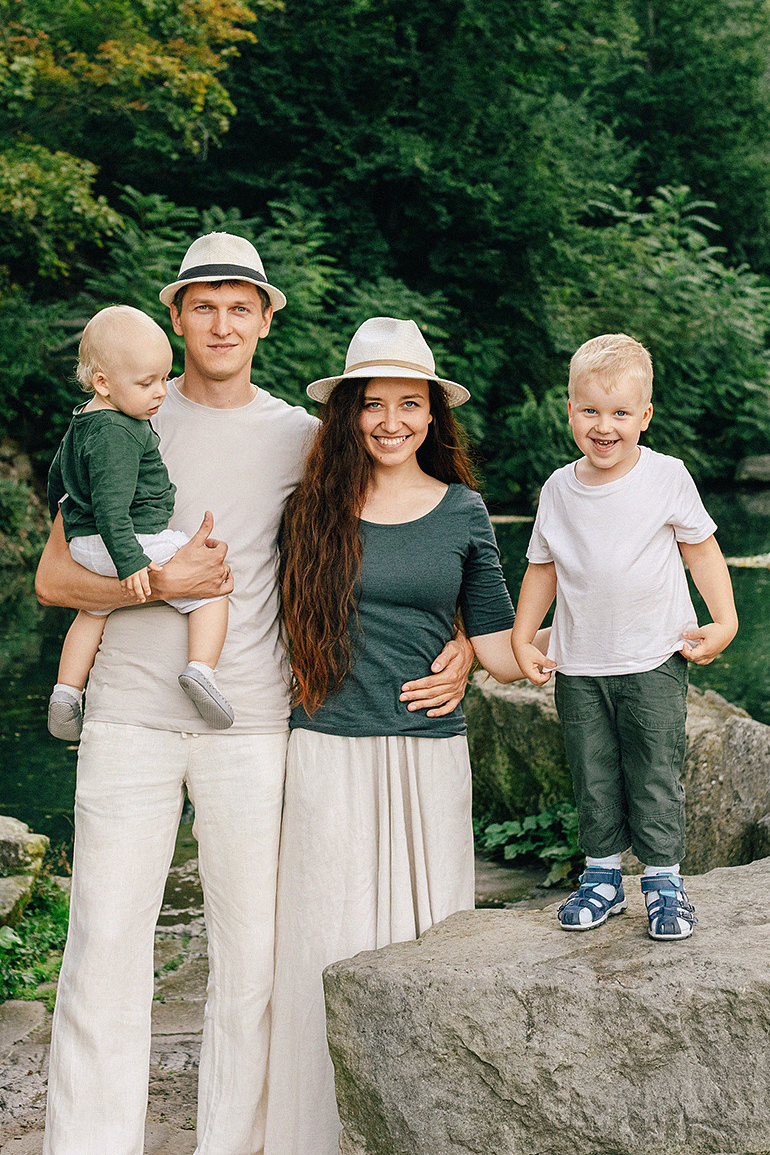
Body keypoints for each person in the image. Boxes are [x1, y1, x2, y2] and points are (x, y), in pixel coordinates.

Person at [32, 237, 476, 1155]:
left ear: (268, 318)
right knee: (105, 949)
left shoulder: (302, 438)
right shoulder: (115, 420)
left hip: (254, 725)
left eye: (241, 306)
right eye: (204, 305)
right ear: (177, 318)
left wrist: (473, 640)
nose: (222, 322)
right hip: (125, 716)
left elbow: (404, 536)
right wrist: (158, 583)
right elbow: (53, 579)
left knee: (250, 966)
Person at [264, 317, 527, 1155]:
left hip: (426, 753)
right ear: (346, 413)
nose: (390, 421)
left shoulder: (464, 511)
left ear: (432, 415)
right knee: (321, 944)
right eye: (372, 404)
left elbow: (499, 643)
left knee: (429, 942)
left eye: (408, 403)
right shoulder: (307, 509)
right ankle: (314, 1135)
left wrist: (475, 663)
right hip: (327, 747)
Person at [511, 332, 739, 941]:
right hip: (580, 664)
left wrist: (725, 620)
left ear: (645, 416)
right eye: (590, 410)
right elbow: (542, 567)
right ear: (569, 412)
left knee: (654, 769)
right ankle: (603, 878)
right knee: (593, 772)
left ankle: (664, 883)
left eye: (619, 413)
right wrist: (523, 635)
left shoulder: (666, 477)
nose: (604, 425)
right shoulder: (559, 489)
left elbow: (702, 549)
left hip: (653, 658)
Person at [43, 305, 231, 741]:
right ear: (103, 383)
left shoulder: (82, 420)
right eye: (146, 383)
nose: (160, 393)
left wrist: (66, 517)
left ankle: (66, 693)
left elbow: (57, 477)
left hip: (84, 541)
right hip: (126, 539)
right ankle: (201, 671)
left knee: (93, 611)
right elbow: (111, 509)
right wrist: (133, 565)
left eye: (164, 378)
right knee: (211, 585)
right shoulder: (119, 432)